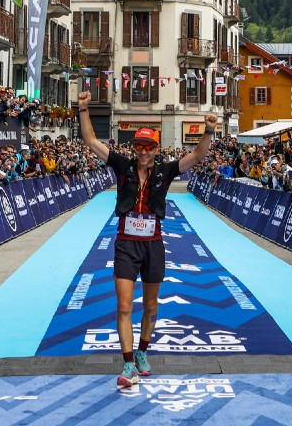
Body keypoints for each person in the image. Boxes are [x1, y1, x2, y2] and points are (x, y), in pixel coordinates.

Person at [76, 91, 217, 388]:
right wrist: (84, 108)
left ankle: (142, 352)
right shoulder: (122, 166)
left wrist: (209, 130)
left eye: (148, 147)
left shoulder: (165, 171)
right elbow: (91, 142)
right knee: (124, 306)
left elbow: (198, 155)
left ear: (155, 149)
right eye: (139, 146)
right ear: (134, 147)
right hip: (126, 244)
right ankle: (128, 364)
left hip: (153, 245)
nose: (143, 152)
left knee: (150, 306)